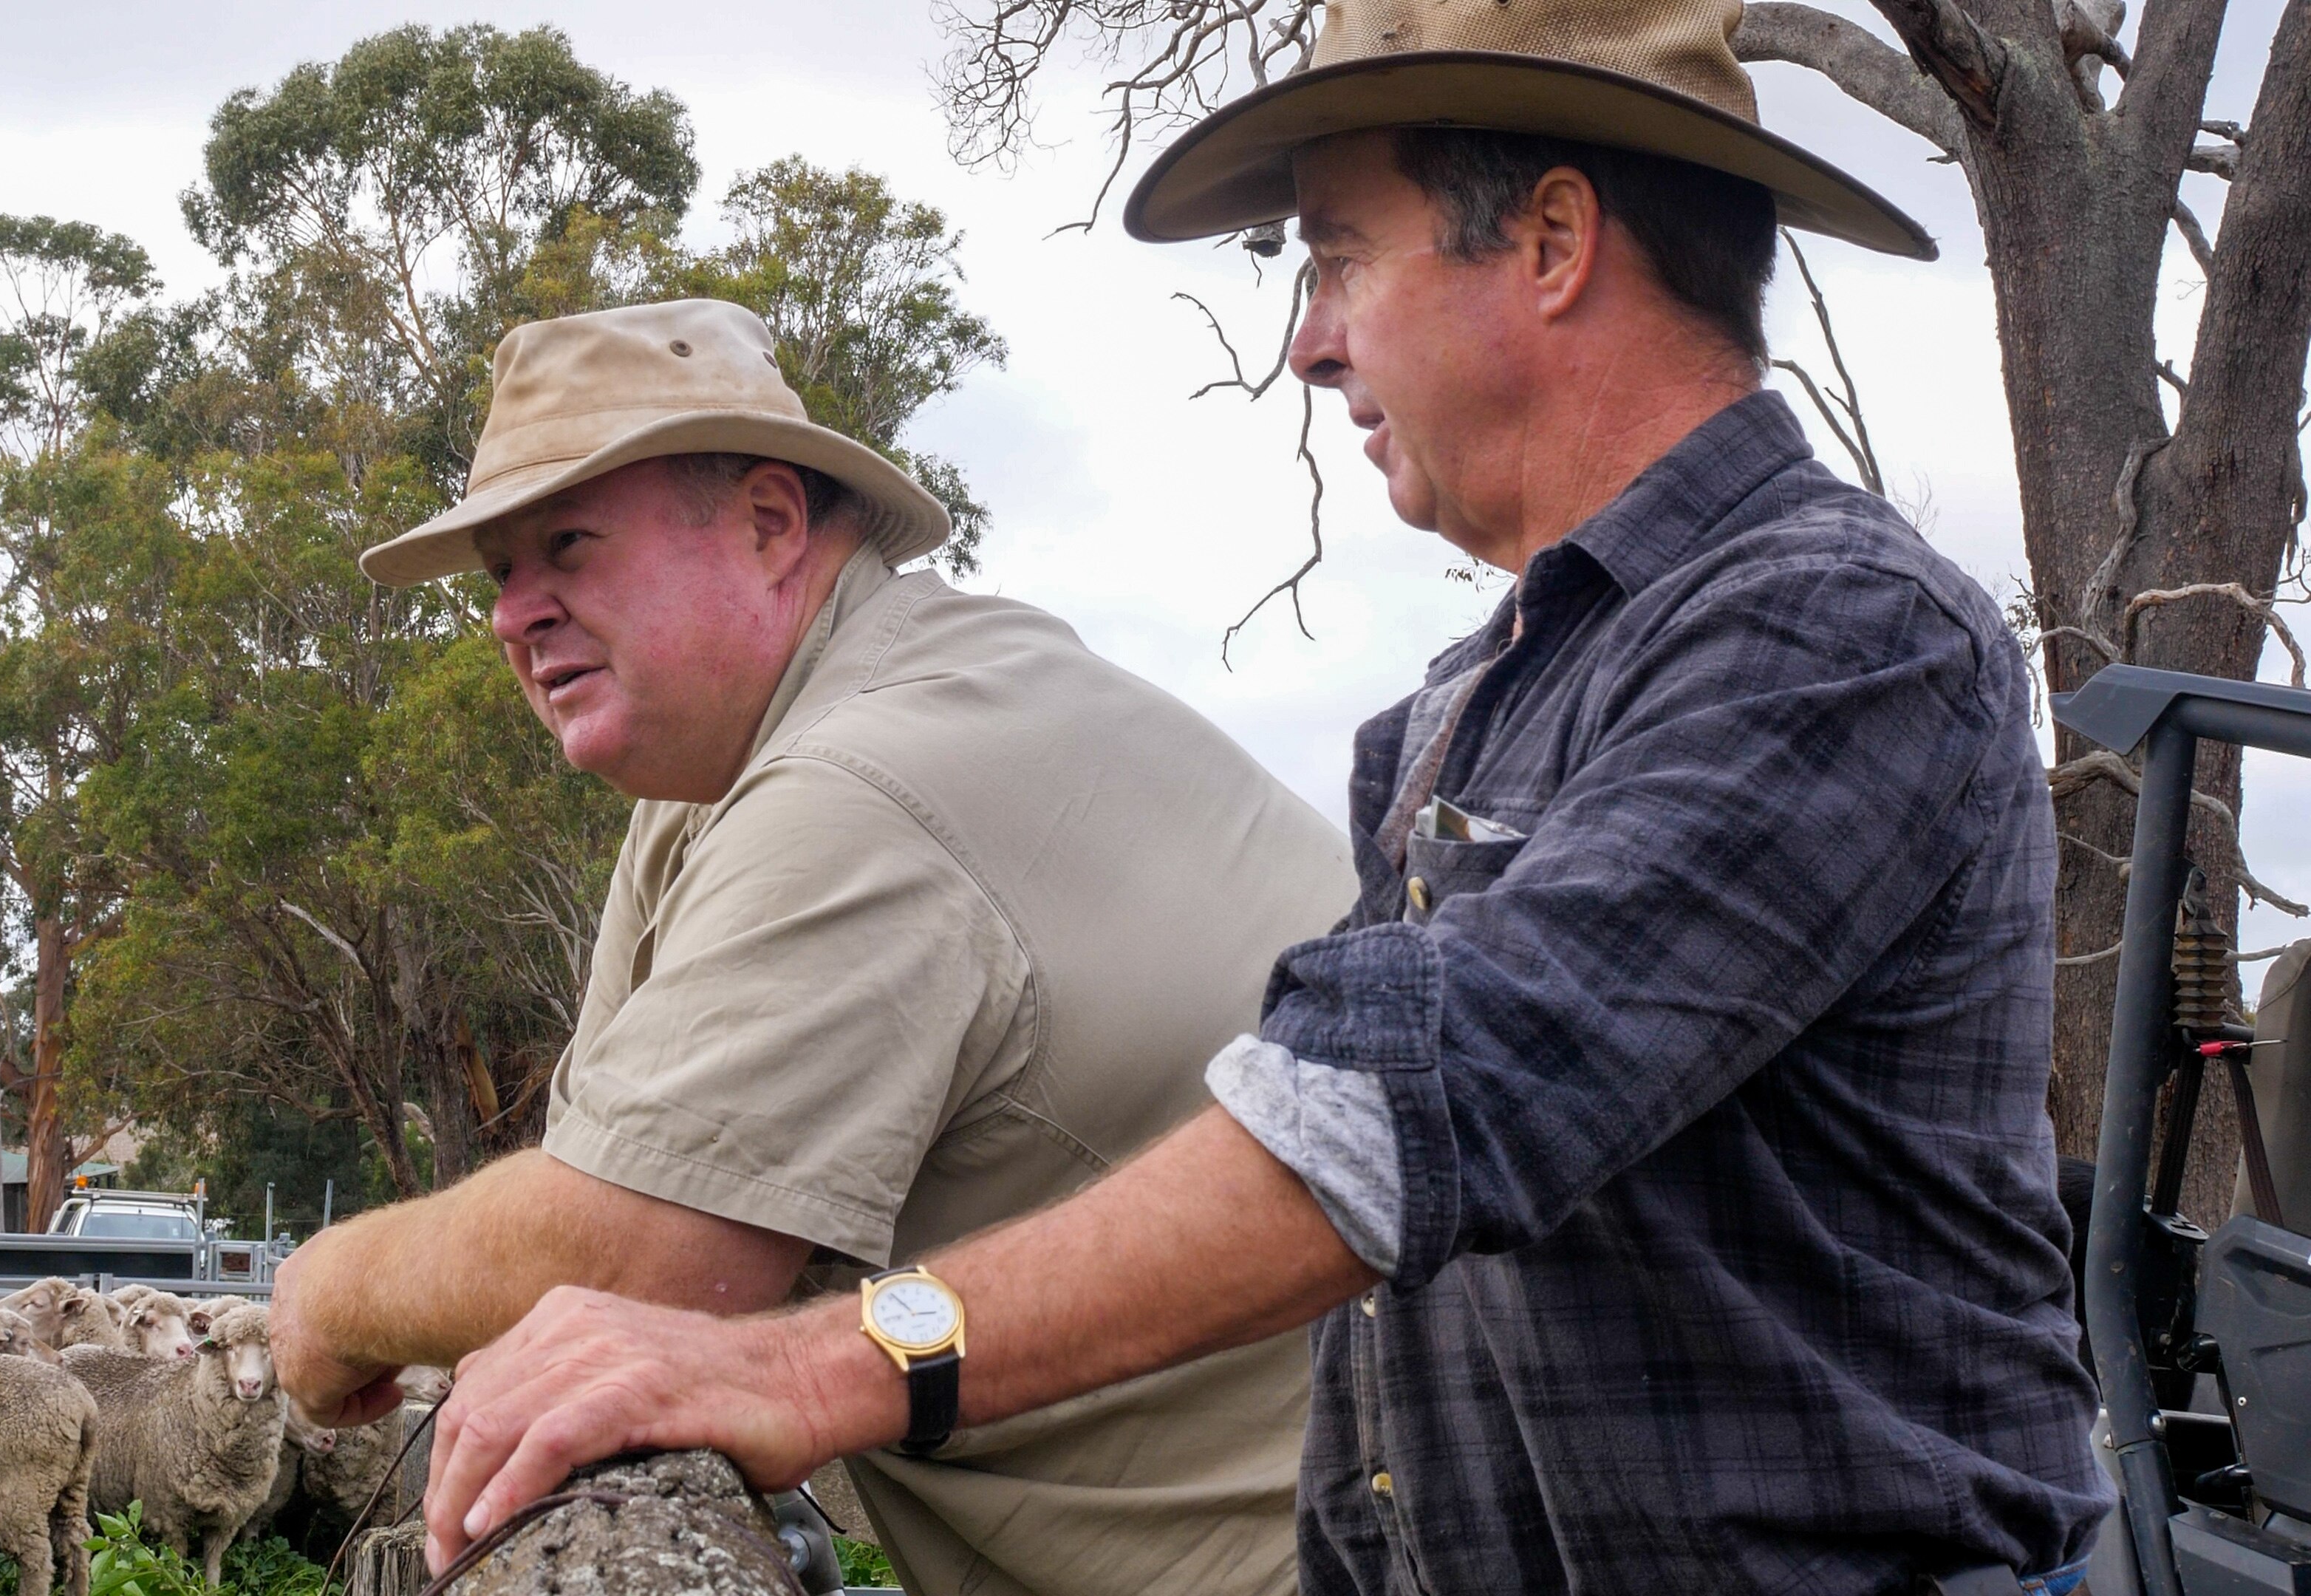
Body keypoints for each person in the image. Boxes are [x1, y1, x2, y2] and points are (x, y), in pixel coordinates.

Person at [412, 1, 2117, 1591]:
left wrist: (809, 1365)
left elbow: (1409, 1115)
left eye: (1336, 255)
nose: (1308, 343)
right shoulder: (1461, 706)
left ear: (1550, 243)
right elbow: (1388, 1345)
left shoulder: (1838, 631)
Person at [267, 296, 1356, 1596]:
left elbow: (646, 1253)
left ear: (773, 525)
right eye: (501, 574)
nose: (517, 615)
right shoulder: (748, 765)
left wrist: (327, 1290)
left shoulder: (862, 782)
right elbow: (605, 1167)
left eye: (567, 546)